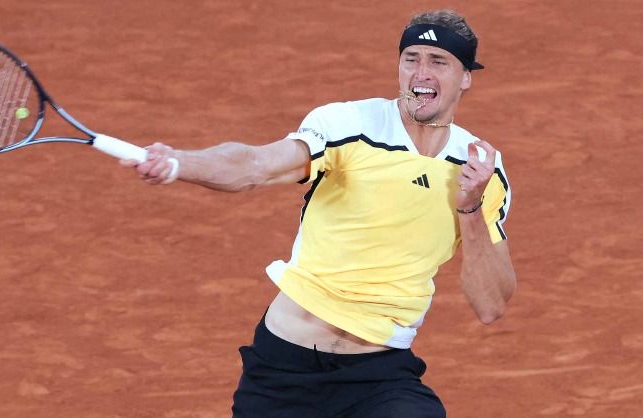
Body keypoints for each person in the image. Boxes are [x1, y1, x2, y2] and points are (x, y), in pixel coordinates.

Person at [122, 9, 516, 418]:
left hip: (378, 380)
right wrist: (179, 164)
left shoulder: (480, 168)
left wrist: (470, 207)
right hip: (283, 370)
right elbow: (255, 166)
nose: (421, 73)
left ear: (466, 76)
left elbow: (490, 305)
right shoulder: (350, 125)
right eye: (411, 58)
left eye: (439, 61)